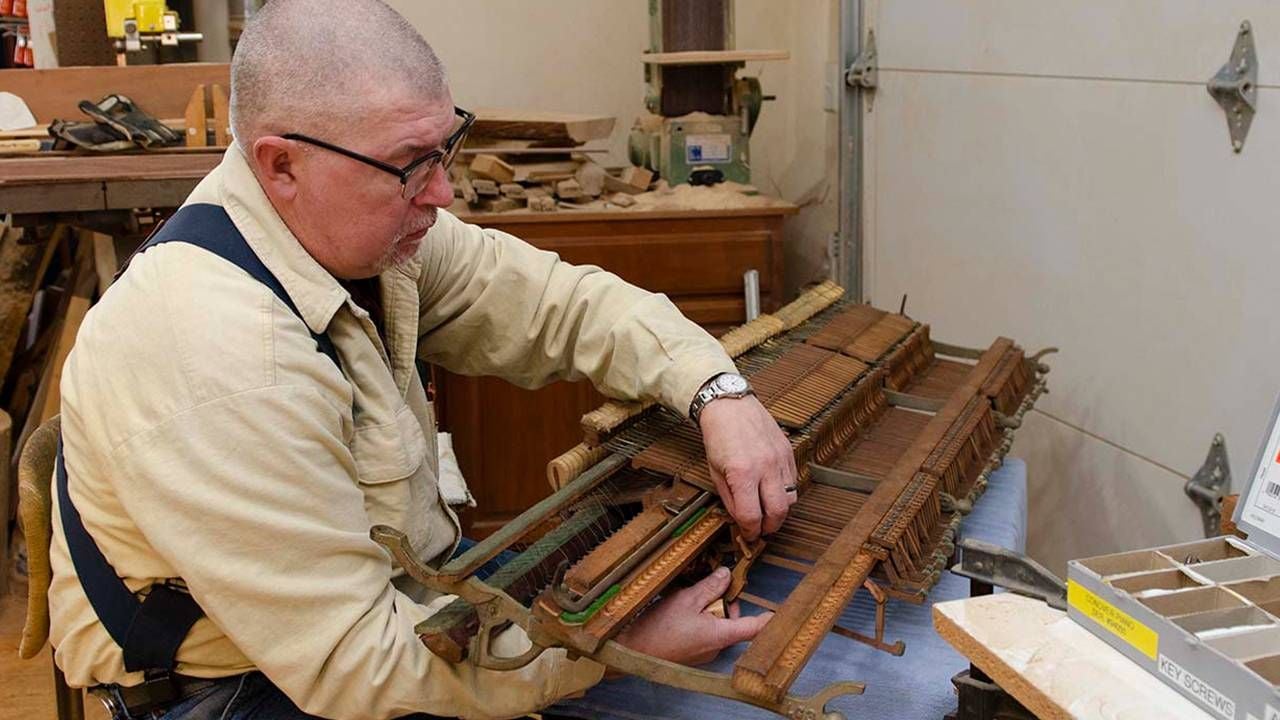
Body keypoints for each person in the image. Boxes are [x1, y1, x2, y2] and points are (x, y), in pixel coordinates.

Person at [45, 1, 798, 719]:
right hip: (248, 689)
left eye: (445, 147)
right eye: (410, 163)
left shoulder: (358, 227)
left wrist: (718, 392)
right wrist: (614, 650)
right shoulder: (222, 357)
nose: (443, 190)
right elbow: (355, 662)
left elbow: (562, 306)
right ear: (281, 165)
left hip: (401, 595)